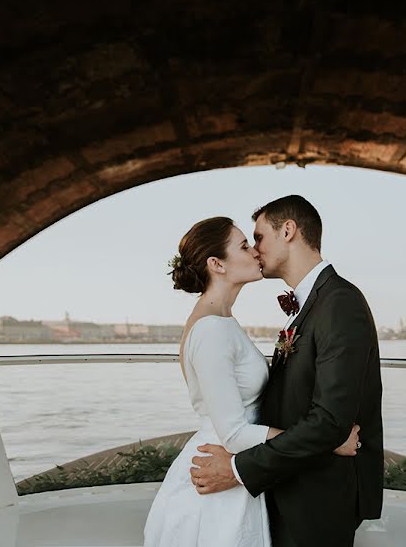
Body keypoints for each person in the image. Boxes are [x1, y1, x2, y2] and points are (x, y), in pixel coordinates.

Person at [143, 216, 361, 547]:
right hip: (219, 473)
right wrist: (328, 441)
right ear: (217, 264)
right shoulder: (211, 330)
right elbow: (234, 432)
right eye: (245, 245)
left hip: (239, 468)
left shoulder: (223, 321)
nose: (256, 252)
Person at [189, 196, 384, 547]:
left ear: (289, 231)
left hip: (319, 496)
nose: (255, 250)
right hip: (290, 483)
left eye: (259, 238)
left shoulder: (340, 303)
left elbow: (329, 421)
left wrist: (237, 469)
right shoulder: (310, 303)